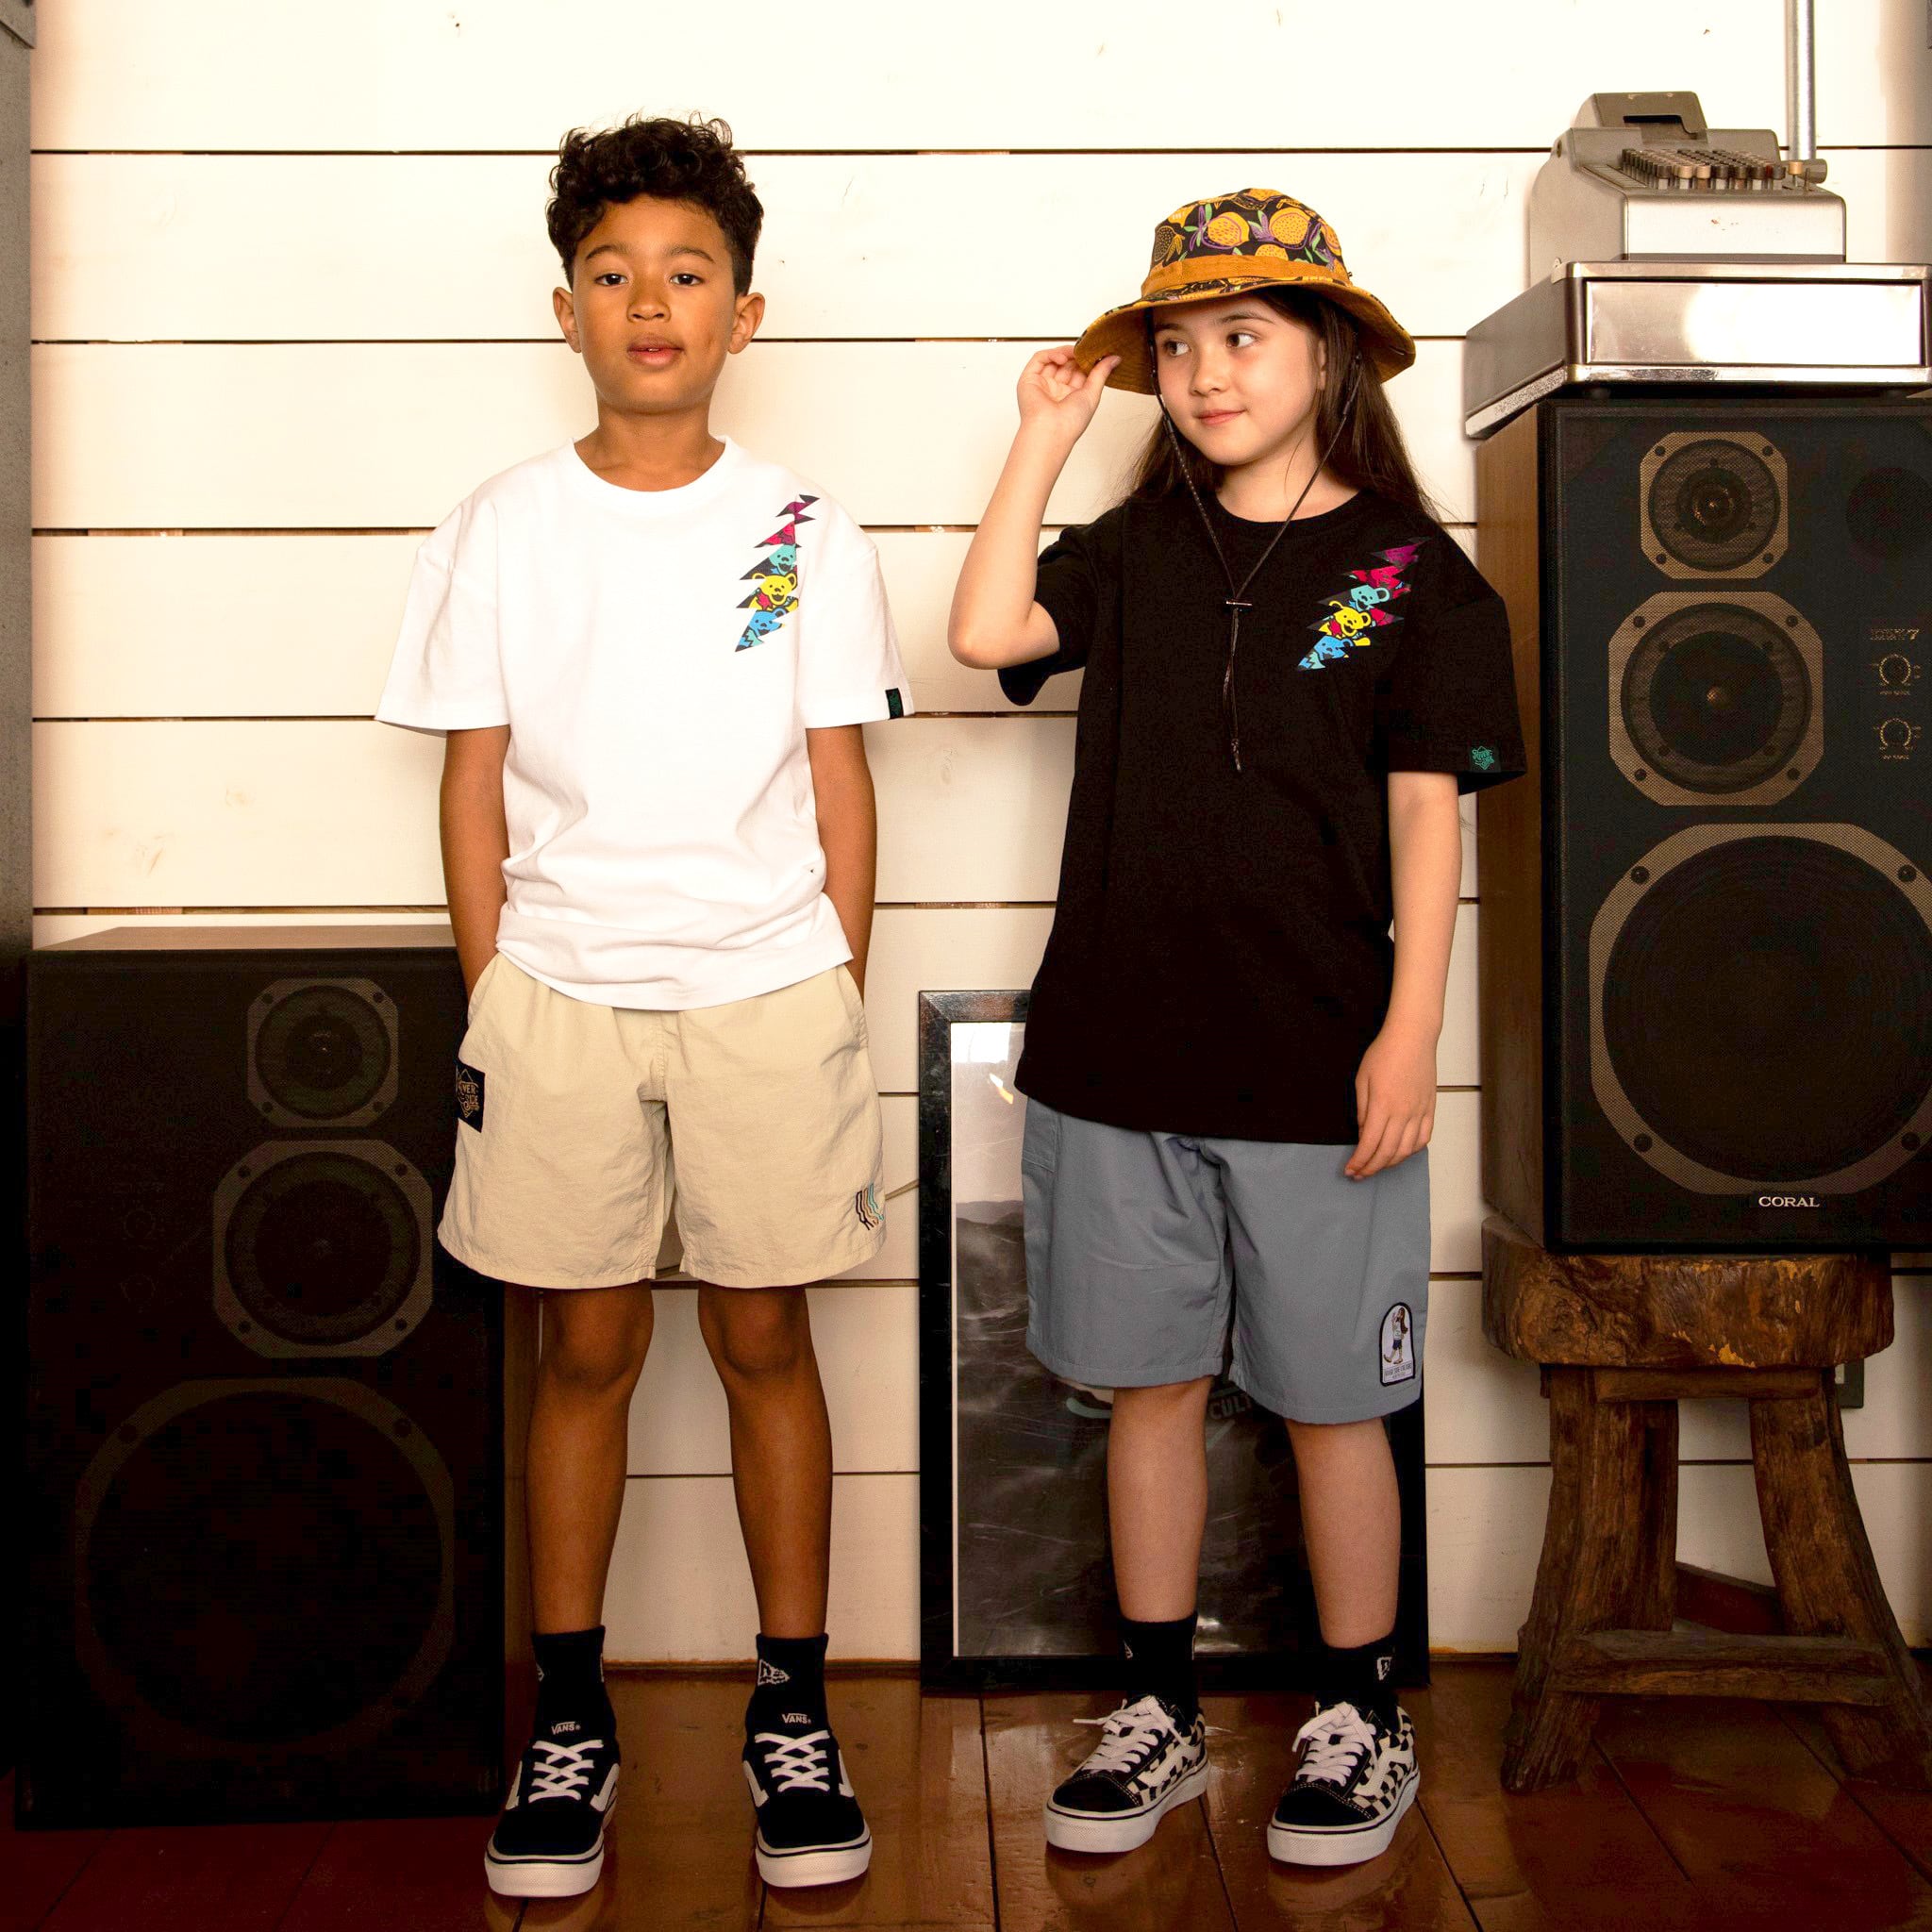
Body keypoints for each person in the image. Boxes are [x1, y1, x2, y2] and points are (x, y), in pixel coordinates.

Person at [946, 188, 1524, 1868]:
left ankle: (1358, 1714)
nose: (1206, 372)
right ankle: (1159, 1712)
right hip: (1114, 1057)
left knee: (1339, 1403)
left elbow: (1428, 820)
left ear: (1330, 354)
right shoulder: (1135, 549)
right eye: (1181, 344)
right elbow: (985, 632)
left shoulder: (1413, 574)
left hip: (1321, 1063)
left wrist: (1410, 1033)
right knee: (1149, 1391)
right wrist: (1045, 437)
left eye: (1244, 336)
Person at [375, 113, 911, 1900]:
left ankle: (793, 1707)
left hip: (769, 993)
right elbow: (472, 783)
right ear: (567, 310)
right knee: (584, 1349)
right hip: (560, 1001)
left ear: (745, 313)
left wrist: (830, 980)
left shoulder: (802, 531)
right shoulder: (500, 527)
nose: (651, 302)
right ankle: (574, 1716)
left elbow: (840, 780)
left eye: (688, 272)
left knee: (765, 1337)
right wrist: (498, 994)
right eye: (612, 274)